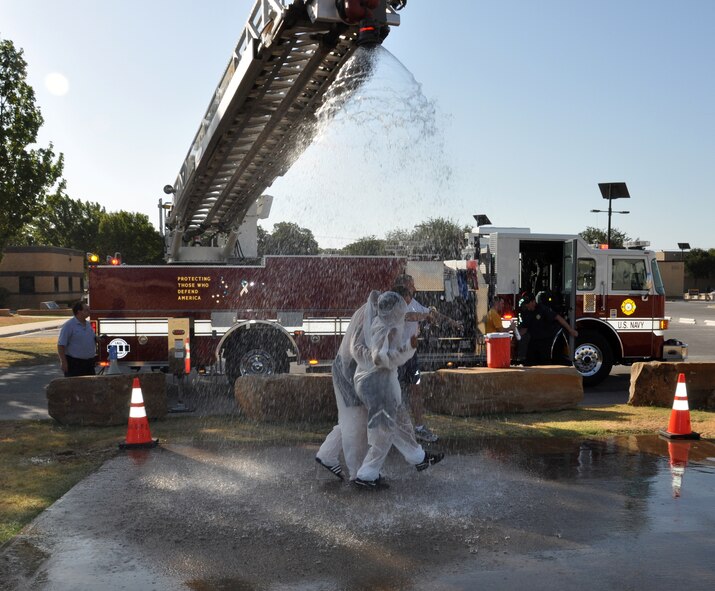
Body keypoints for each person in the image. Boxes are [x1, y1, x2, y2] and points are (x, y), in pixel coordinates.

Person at [315, 290, 444, 489]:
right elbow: (356, 347)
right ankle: (360, 473)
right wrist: (380, 361)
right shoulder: (370, 315)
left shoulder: (381, 311)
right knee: (359, 422)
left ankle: (333, 457)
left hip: (360, 374)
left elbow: (404, 318)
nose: (406, 307)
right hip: (349, 373)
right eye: (406, 300)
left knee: (383, 418)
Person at [393, 274, 462, 443]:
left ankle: (419, 428)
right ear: (403, 287)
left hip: (411, 357)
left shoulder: (414, 303)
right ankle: (390, 430)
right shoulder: (394, 303)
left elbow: (431, 313)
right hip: (394, 356)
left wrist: (452, 322)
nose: (415, 288)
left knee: (416, 388)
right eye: (411, 285)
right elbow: (407, 316)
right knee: (393, 393)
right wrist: (426, 316)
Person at [518, 293, 577, 366]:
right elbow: (524, 329)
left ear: (533, 302)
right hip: (533, 341)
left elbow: (558, 317)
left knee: (545, 364)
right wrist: (514, 336)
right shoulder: (527, 313)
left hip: (545, 342)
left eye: (528, 303)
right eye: (525, 303)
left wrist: (570, 330)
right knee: (529, 362)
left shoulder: (543, 309)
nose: (526, 305)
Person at [57, 301, 99, 377]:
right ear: (79, 312)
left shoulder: (88, 324)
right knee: (75, 387)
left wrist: (97, 338)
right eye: (86, 310)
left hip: (89, 363)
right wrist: (63, 362)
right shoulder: (69, 325)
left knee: (90, 387)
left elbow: (90, 338)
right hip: (75, 364)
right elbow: (61, 345)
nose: (89, 312)